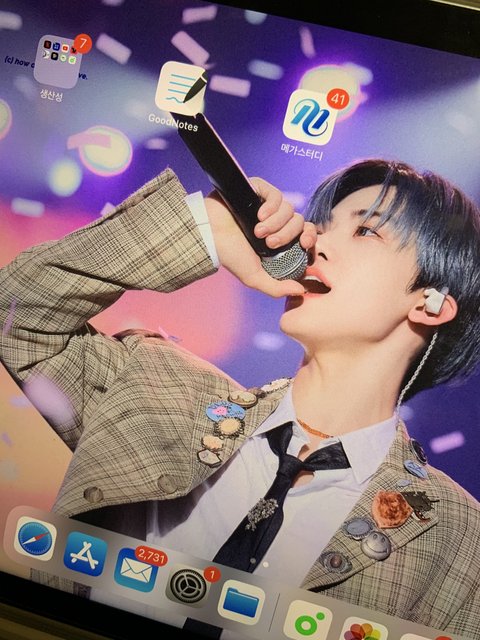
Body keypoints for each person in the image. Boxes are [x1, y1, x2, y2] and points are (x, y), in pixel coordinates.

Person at [0, 158, 479, 637]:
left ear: (431, 303)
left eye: (366, 231)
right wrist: (202, 229)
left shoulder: (458, 537)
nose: (312, 241)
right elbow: (15, 313)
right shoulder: (160, 388)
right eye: (321, 225)